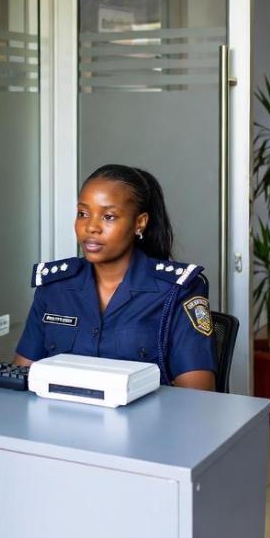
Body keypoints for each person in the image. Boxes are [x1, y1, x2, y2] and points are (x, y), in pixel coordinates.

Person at [15, 164, 216, 391]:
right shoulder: (54, 287)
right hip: (59, 420)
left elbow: (197, 396)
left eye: (108, 216)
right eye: (83, 213)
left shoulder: (178, 291)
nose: (91, 227)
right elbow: (22, 378)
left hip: (148, 425)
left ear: (139, 223)